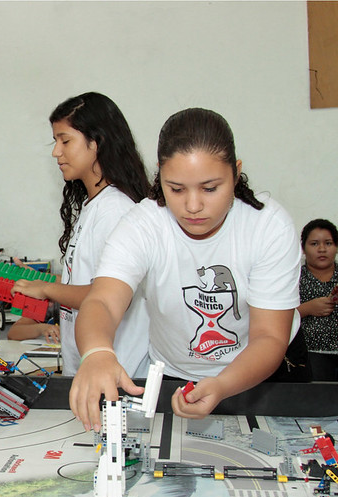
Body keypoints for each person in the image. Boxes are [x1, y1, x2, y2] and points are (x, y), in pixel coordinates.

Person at [70, 107, 302, 431]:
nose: (193, 206)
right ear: (160, 177)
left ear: (235, 173)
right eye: (176, 189)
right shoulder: (143, 224)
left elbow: (269, 336)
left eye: (210, 188)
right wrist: (96, 352)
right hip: (173, 374)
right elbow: (103, 301)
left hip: (260, 374)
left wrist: (221, 385)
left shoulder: (268, 226)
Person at [10, 92, 151, 377]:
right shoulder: (94, 205)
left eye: (65, 140)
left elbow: (105, 295)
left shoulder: (116, 210)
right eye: (55, 141)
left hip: (118, 372)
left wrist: (47, 289)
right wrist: (42, 282)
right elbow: (86, 282)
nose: (56, 152)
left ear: (96, 142)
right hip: (90, 370)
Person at [297, 218, 338, 380]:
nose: (322, 249)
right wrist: (307, 308)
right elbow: (276, 316)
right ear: (303, 249)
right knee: (317, 401)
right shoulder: (293, 279)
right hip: (310, 354)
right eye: (314, 244)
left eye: (328, 243)